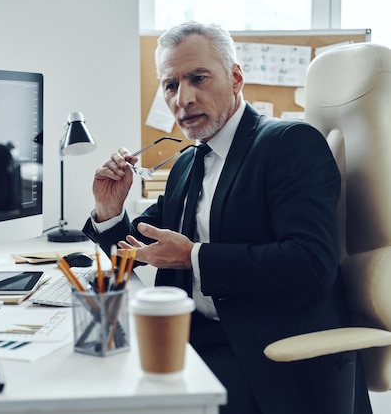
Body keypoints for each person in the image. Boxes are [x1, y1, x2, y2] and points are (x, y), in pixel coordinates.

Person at [82, 21, 372, 414]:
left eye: (197, 78)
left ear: (236, 77)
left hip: (262, 350)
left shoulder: (288, 144)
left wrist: (193, 257)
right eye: (170, 85)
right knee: (97, 382)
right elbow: (144, 244)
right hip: (191, 336)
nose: (183, 98)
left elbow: (312, 262)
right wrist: (108, 210)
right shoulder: (187, 163)